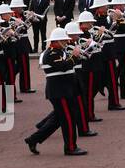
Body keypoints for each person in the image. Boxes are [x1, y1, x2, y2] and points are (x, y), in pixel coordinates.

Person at [24, 28, 86, 156]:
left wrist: (79, 54)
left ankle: (33, 139)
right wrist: (74, 55)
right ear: (56, 41)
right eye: (64, 40)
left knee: (58, 119)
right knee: (68, 119)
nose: (66, 42)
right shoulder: (51, 54)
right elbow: (63, 67)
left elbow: (73, 63)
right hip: (59, 91)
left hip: (67, 89)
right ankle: (70, 147)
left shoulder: (61, 51)